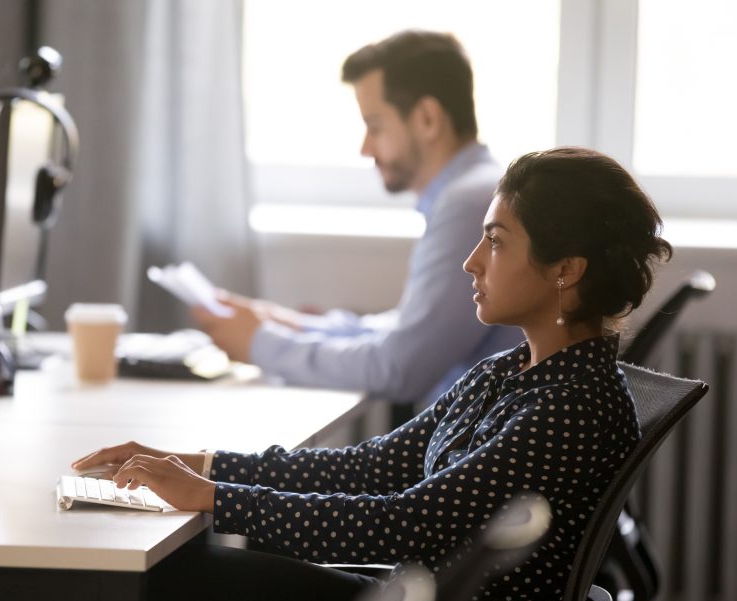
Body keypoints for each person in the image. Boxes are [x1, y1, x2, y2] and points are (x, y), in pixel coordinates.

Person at [72, 147, 674, 601]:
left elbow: (405, 524)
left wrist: (214, 497)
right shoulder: (510, 373)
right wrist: (195, 467)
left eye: (494, 241)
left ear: (565, 269)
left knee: (179, 597)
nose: (470, 263)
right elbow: (375, 466)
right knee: (184, 578)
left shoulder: (570, 406)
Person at [193, 30, 522, 409]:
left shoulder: (469, 204)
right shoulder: (472, 191)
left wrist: (261, 344)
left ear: (427, 119)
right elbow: (405, 329)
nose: (365, 148)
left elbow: (399, 367)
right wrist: (290, 325)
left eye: (376, 126)